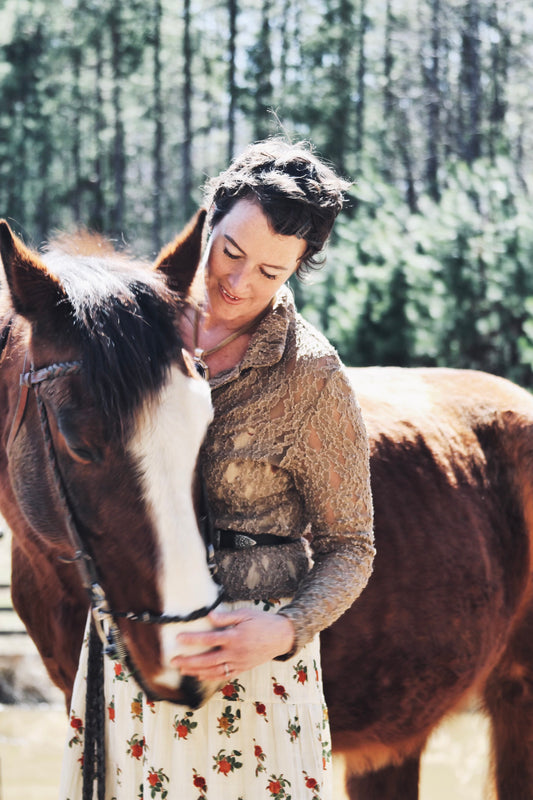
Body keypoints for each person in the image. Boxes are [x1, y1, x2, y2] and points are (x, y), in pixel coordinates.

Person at [59, 138, 374, 799]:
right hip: (134, 655)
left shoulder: (311, 377)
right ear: (207, 217)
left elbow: (352, 546)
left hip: (254, 672)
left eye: (270, 271)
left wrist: (285, 630)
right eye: (230, 251)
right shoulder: (124, 332)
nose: (239, 281)